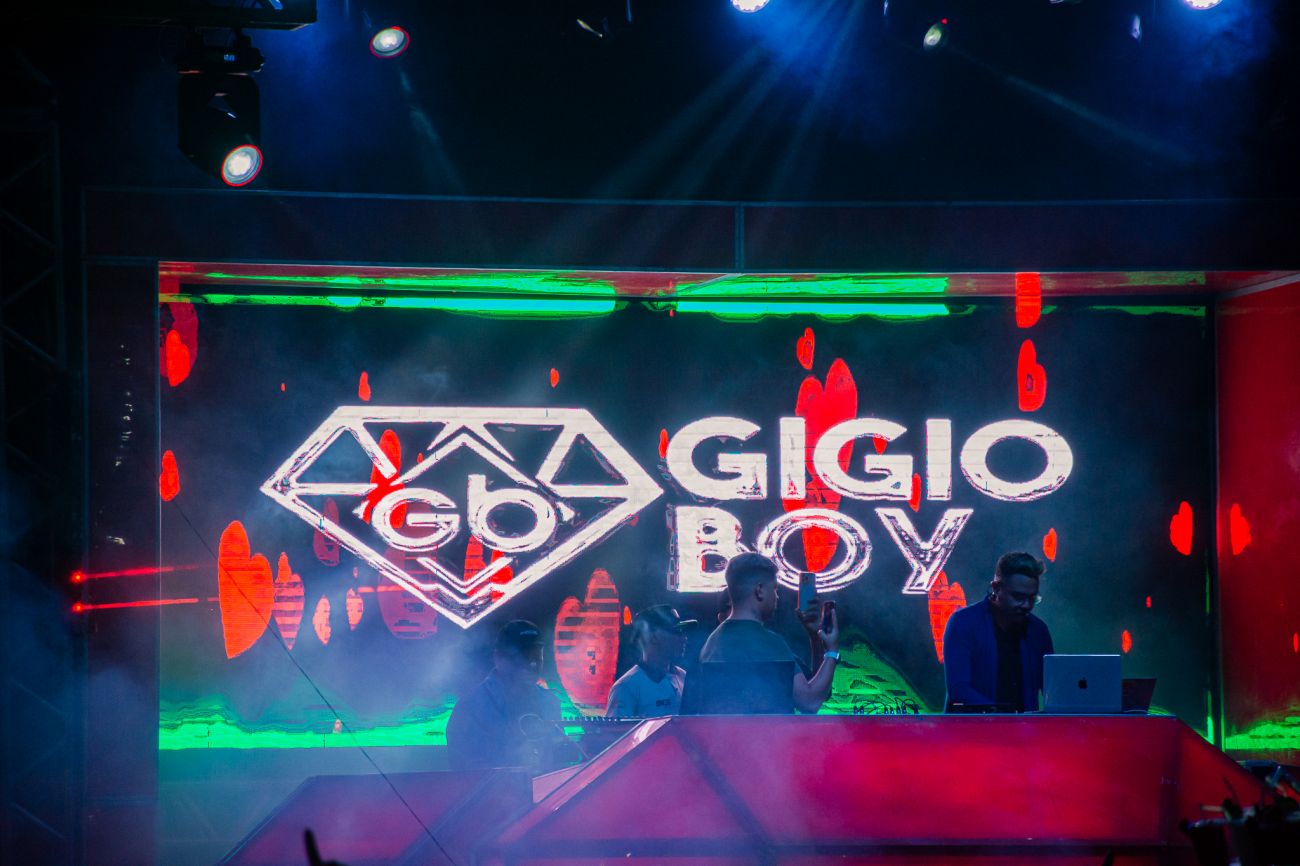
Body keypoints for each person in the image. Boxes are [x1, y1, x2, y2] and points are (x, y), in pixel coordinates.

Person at [697, 552, 840, 714]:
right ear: (760, 590)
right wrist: (832, 651)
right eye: (774, 589)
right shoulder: (770, 643)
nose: (777, 597)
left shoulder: (712, 643)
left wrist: (814, 637)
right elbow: (810, 701)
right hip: (769, 732)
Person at [942, 551, 1055, 713]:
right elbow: (959, 690)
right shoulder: (963, 622)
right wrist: (1002, 717)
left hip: (1022, 727)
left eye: (1032, 598)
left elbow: (1052, 689)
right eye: (1018, 597)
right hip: (976, 728)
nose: (1026, 605)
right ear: (996, 588)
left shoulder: (1038, 630)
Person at [445, 619, 563, 771]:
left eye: (536, 656)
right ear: (498, 658)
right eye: (523, 656)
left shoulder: (550, 702)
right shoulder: (470, 707)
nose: (532, 664)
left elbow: (559, 759)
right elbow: (465, 770)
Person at [604, 605, 696, 718]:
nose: (684, 638)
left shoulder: (682, 677)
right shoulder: (626, 688)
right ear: (653, 637)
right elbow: (615, 729)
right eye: (676, 632)